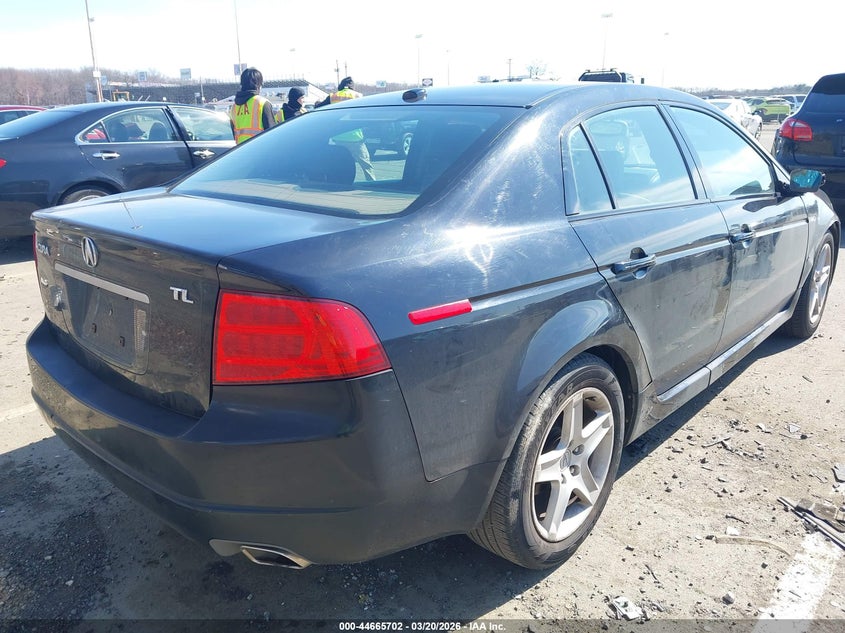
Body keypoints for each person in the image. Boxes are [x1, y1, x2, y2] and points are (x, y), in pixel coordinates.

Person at [316, 77, 376, 180]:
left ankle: (338, 184)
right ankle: (373, 184)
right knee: (366, 166)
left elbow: (319, 108)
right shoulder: (358, 96)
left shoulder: (333, 97)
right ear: (352, 86)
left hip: (337, 138)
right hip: (355, 138)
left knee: (338, 166)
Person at [229, 67, 275, 144]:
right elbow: (272, 133)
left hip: (241, 149)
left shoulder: (234, 107)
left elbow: (234, 133)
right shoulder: (262, 103)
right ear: (258, 85)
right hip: (260, 148)